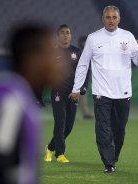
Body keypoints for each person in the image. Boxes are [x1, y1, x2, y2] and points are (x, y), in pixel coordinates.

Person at [69, 5, 138, 173]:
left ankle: (113, 157)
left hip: (123, 92)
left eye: (114, 17)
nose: (111, 20)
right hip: (101, 92)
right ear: (103, 19)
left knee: (119, 130)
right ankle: (108, 162)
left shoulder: (127, 36)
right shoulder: (94, 39)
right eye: (108, 17)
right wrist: (76, 87)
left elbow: (137, 62)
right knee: (103, 128)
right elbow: (83, 64)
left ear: (119, 19)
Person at [0, 22, 63, 184]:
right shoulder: (11, 99)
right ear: (33, 58)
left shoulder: (21, 94)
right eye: (52, 53)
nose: (59, 61)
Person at [44, 24, 89, 163]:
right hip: (58, 92)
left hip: (73, 93)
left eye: (68, 32)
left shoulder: (77, 52)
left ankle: (50, 148)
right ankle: (60, 154)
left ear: (71, 35)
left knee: (68, 127)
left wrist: (83, 89)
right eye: (62, 32)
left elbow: (85, 71)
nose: (65, 35)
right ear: (58, 36)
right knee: (60, 121)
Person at [78, 36, 93, 119]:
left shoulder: (89, 52)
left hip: (86, 74)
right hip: (80, 75)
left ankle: (85, 112)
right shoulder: (79, 52)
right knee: (81, 94)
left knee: (83, 94)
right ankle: (85, 112)